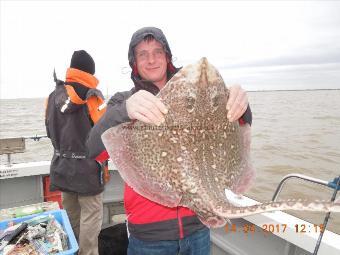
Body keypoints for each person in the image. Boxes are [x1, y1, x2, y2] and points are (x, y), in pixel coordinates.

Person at [87, 27, 252, 255]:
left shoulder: (200, 95)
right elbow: (92, 150)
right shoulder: (123, 101)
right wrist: (123, 111)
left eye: (158, 52)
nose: (152, 59)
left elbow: (238, 128)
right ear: (134, 62)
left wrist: (241, 103)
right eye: (143, 54)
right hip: (149, 237)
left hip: (199, 228)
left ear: (168, 57)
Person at [45, 50, 108, 255]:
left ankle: (73, 251)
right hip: (87, 171)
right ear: (90, 72)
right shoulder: (93, 97)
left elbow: (49, 130)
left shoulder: (52, 96)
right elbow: (105, 132)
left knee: (72, 214)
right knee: (91, 215)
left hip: (61, 167)